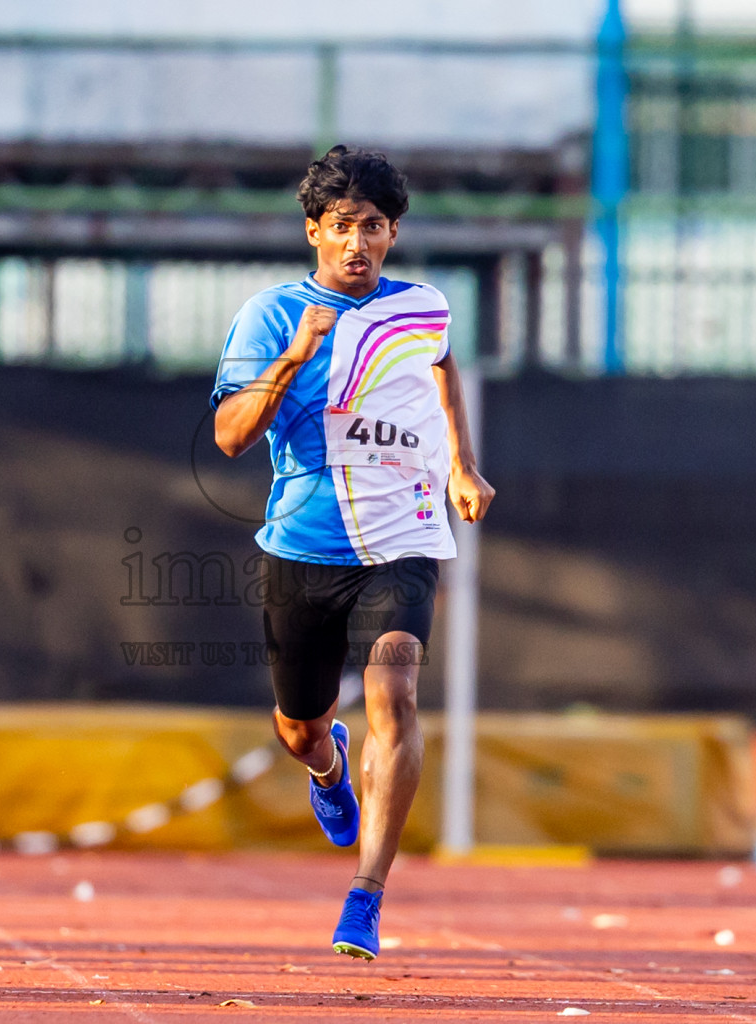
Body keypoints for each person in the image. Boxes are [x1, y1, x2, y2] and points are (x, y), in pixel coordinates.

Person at [211, 146, 494, 959]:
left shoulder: (423, 307)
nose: (357, 243)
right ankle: (328, 768)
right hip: (304, 544)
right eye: (341, 226)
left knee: (394, 692)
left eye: (372, 226)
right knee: (300, 727)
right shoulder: (270, 315)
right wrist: (295, 355)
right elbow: (229, 436)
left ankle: (365, 896)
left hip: (403, 537)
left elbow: (442, 368)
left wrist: (461, 464)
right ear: (314, 231)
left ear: (393, 232)